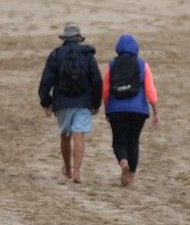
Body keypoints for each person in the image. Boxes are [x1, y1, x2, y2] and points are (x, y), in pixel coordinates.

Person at [37, 24, 103, 184]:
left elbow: (46, 80)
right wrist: (96, 103)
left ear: (64, 39)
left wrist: (46, 101)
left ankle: (67, 168)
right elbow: (97, 80)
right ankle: (77, 172)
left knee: (65, 134)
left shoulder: (56, 54)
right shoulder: (88, 55)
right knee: (79, 134)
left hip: (62, 102)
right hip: (83, 102)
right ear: (79, 38)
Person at [102, 34, 160, 187]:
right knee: (133, 142)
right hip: (138, 111)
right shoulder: (142, 65)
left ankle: (123, 164)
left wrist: (107, 109)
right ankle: (131, 177)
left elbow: (106, 89)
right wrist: (156, 111)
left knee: (118, 141)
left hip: (116, 110)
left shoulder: (112, 64)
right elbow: (150, 89)